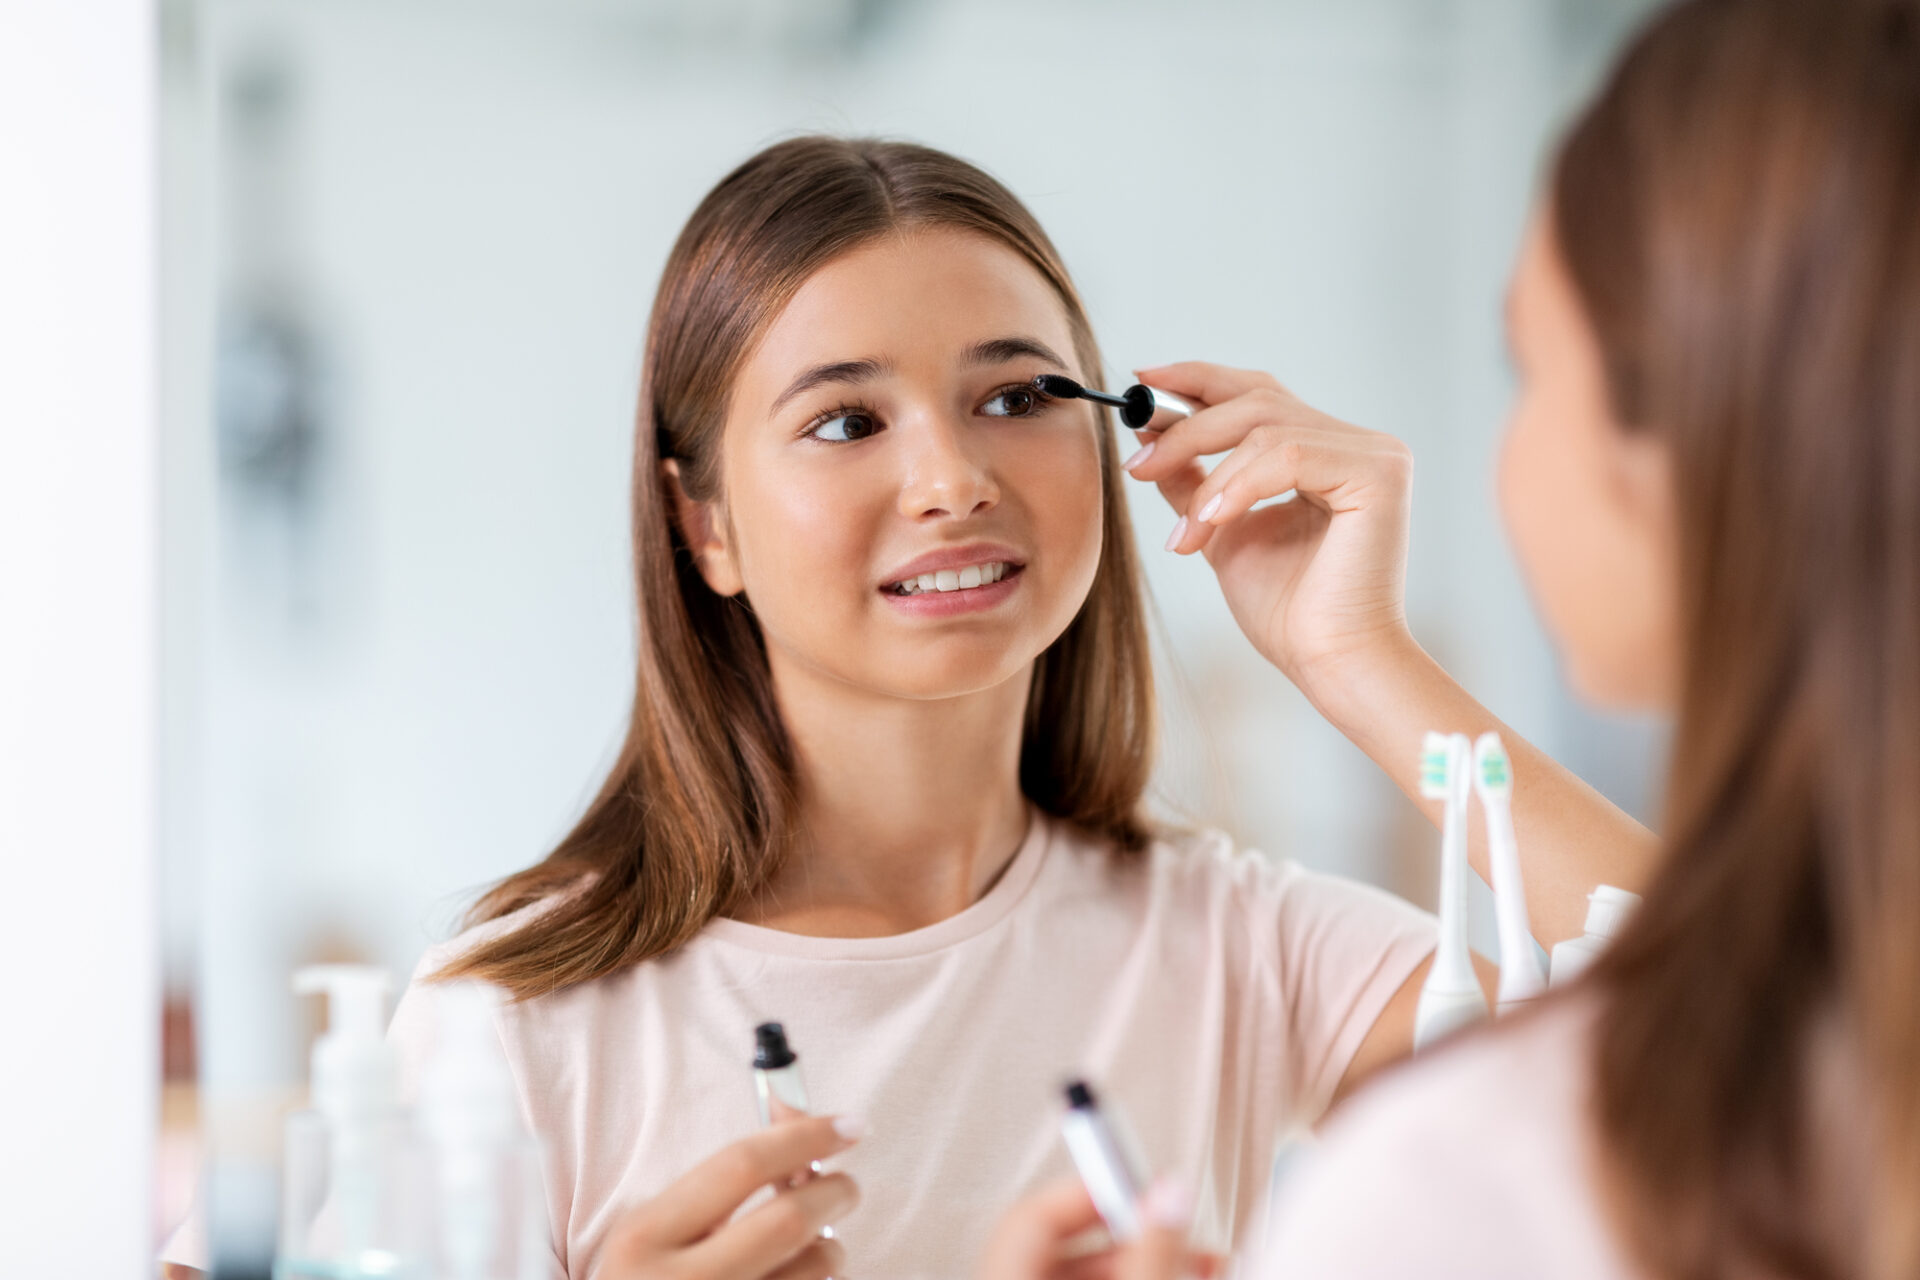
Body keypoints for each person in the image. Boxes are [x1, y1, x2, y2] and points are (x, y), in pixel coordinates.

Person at [369, 136, 1650, 1280]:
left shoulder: (1234, 945)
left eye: (1019, 396)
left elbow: (1753, 1037)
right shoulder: (511, 1019)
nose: (951, 477)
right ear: (704, 524)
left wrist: (1361, 654)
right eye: (846, 420)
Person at [990, 0, 1920, 1277]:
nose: (947, 481)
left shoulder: (1464, 1175)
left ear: (1703, 440)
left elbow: (1722, 1012)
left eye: (1526, 369)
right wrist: (1355, 652)